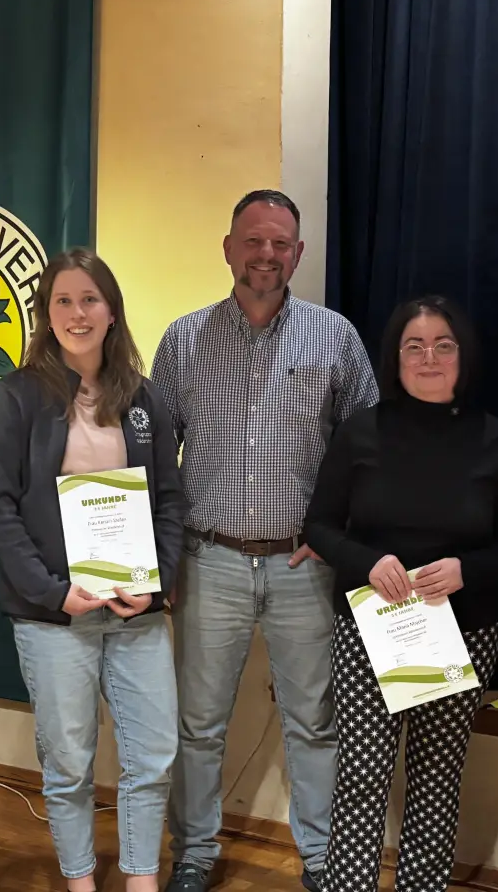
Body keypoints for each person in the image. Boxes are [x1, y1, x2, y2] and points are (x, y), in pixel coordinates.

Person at [152, 190, 380, 892]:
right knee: (198, 723)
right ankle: (194, 854)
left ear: (299, 254)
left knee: (313, 719)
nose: (267, 255)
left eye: (281, 243)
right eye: (254, 241)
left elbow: (367, 447)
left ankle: (320, 859)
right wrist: (161, 562)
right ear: (228, 248)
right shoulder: (183, 339)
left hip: (301, 564)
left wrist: (336, 535)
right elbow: (158, 458)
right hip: (208, 557)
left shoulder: (335, 336)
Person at [304, 296, 498, 892]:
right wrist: (368, 560)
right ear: (395, 358)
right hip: (369, 630)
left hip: (464, 629)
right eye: (414, 345)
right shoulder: (360, 433)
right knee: (362, 775)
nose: (428, 357)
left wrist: (467, 570)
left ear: (464, 356)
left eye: (443, 345)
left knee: (436, 778)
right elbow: (320, 526)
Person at [0, 247, 186, 892]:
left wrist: (154, 589)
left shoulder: (143, 396)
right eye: (63, 300)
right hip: (54, 616)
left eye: (90, 299)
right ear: (46, 313)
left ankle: (141, 878)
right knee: (68, 763)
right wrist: (52, 591)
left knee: (153, 754)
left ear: (113, 311)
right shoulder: (17, 395)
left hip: (134, 612)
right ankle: (79, 881)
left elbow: (170, 502)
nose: (77, 313)